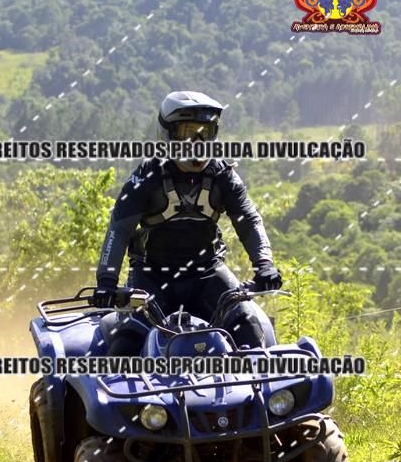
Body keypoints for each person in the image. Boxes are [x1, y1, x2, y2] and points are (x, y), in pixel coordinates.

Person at [95, 90, 282, 355]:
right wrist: (106, 280)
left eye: (206, 132)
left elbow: (249, 220)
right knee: (125, 345)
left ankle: (254, 383)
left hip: (207, 274)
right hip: (151, 277)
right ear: (167, 133)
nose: (198, 142)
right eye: (188, 132)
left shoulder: (223, 175)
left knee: (249, 328)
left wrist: (264, 264)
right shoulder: (145, 177)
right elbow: (119, 228)